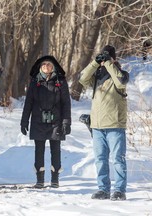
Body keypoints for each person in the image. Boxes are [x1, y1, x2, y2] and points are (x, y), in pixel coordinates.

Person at [79, 45, 129, 201]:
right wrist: (95, 62)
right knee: (100, 159)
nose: (104, 60)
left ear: (114, 58)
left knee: (118, 159)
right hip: (98, 126)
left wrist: (109, 63)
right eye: (103, 56)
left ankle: (119, 190)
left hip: (115, 125)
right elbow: (82, 79)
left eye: (108, 56)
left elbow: (120, 82)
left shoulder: (122, 74)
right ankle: (103, 189)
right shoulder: (96, 78)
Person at [20, 55, 71, 188]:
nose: (46, 67)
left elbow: (66, 104)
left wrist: (66, 122)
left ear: (53, 67)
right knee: (39, 150)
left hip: (56, 121)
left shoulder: (61, 81)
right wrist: (24, 121)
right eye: (44, 65)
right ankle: (40, 180)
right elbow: (28, 103)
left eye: (49, 65)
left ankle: (55, 179)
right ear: (40, 67)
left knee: (56, 150)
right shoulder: (34, 82)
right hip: (38, 119)